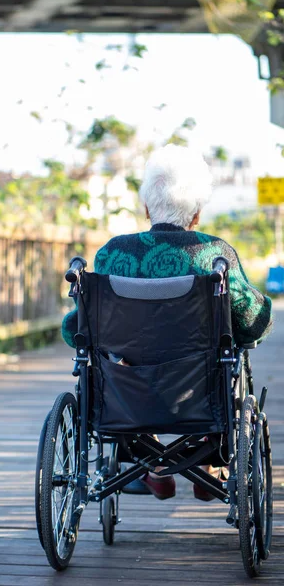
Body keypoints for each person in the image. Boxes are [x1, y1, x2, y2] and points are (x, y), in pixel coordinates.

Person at [62, 144, 273, 500]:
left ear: (146, 207)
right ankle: (209, 463)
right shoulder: (214, 254)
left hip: (126, 397)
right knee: (226, 361)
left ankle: (153, 463)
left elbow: (75, 331)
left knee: (115, 361)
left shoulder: (113, 254)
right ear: (197, 214)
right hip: (199, 397)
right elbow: (253, 323)